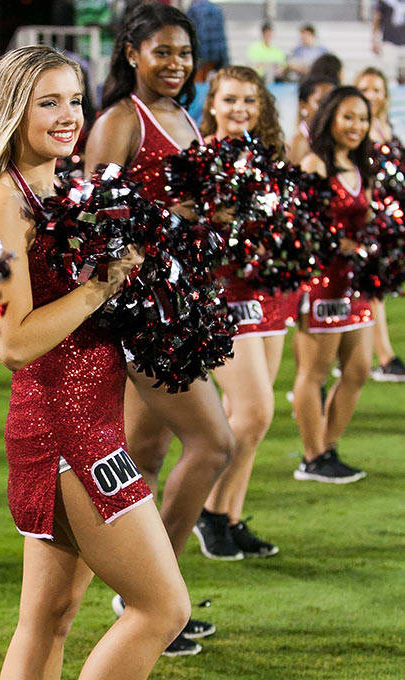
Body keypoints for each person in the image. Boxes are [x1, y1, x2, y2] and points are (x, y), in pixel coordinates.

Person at [0, 44, 191, 680]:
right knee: (161, 609)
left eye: (72, 101)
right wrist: (99, 287)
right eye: (46, 105)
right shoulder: (1, 202)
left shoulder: (65, 188)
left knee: (49, 617)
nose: (66, 118)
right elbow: (16, 344)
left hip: (90, 417)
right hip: (65, 432)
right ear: (12, 111)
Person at [84, 2, 231, 646]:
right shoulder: (121, 120)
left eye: (184, 54)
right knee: (215, 444)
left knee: (143, 452)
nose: (175, 64)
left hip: (182, 300)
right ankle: (157, 599)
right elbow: (88, 216)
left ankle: (135, 597)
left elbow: (186, 208)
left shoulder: (182, 116)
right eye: (162, 52)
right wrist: (172, 215)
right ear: (131, 54)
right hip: (145, 313)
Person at [193, 66, 290, 559]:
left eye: (249, 101)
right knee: (255, 409)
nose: (240, 110)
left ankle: (230, 515)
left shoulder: (266, 159)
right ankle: (206, 512)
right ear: (212, 104)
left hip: (268, 293)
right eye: (230, 100)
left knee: (252, 418)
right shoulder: (199, 159)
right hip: (225, 297)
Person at [293, 86, 375, 483]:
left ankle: (328, 446)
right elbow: (302, 229)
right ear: (330, 118)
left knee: (359, 369)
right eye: (348, 117)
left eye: (362, 118)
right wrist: (338, 242)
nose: (356, 126)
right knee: (315, 372)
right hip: (322, 283)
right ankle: (313, 457)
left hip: (356, 283)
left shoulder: (362, 166)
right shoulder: (315, 163)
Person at [355, 66, 405, 382]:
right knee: (370, 288)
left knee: (376, 289)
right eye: (365, 89)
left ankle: (349, 355)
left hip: (392, 223)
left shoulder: (387, 126)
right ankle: (385, 356)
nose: (371, 95)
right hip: (368, 223)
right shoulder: (355, 129)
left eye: (376, 89)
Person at [287, 74, 337, 165]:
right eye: (321, 102)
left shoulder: (330, 138)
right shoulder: (299, 143)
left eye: (333, 103)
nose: (329, 108)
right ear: (303, 106)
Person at [186, 0, 229, 82]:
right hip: (215, 56)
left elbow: (194, 35)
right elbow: (222, 37)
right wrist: (224, 61)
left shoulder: (193, 10)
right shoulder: (217, 9)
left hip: (200, 55)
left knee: (198, 83)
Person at [372, 0, 405, 83]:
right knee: (389, 76)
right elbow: (377, 18)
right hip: (389, 41)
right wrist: (374, 40)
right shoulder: (384, 2)